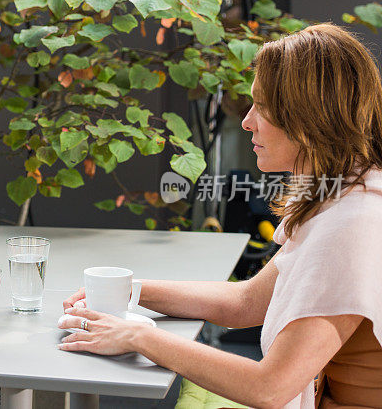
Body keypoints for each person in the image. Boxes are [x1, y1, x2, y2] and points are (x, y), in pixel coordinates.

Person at [60, 23, 382, 408]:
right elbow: (246, 302)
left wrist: (136, 337)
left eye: (261, 106)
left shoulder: (353, 224)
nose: (246, 121)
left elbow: (270, 388)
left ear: (308, 117)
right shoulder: (345, 191)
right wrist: (132, 291)